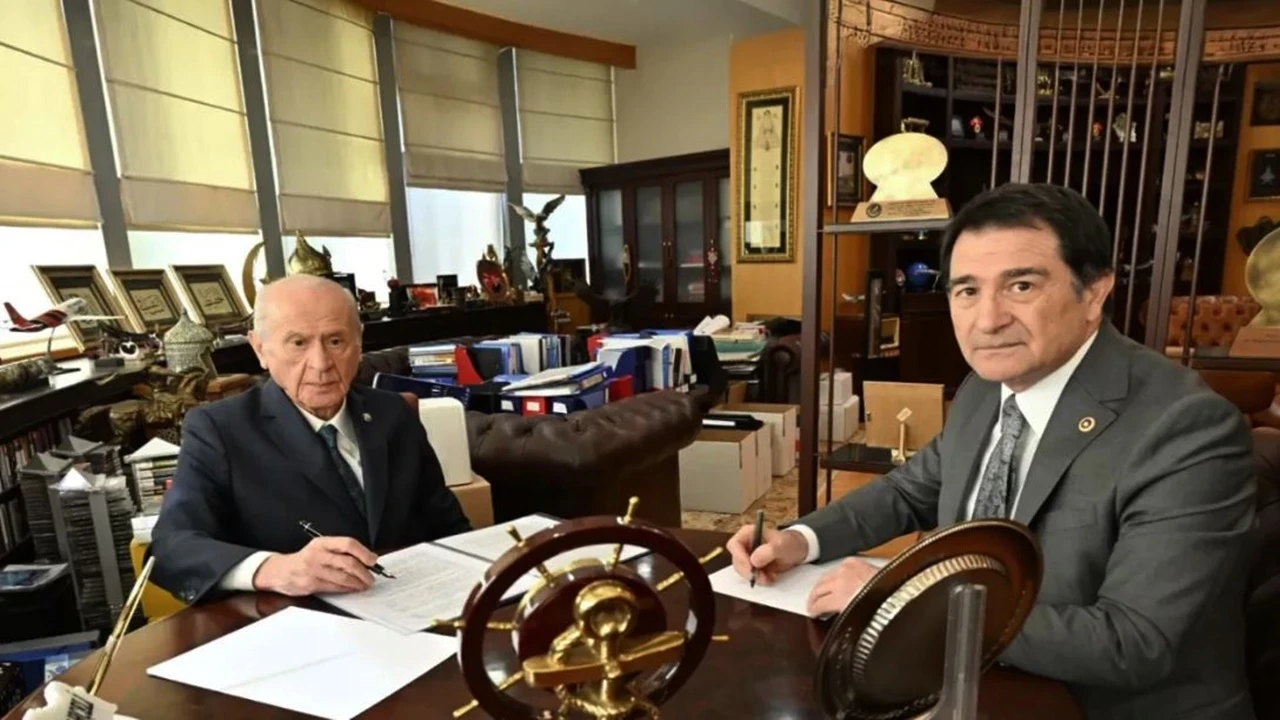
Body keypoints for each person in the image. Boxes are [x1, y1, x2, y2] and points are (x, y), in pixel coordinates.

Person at [728, 184, 1257, 719]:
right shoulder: (986, 387)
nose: (987, 321)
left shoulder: (1186, 428)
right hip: (973, 681)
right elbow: (911, 489)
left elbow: (1134, 642)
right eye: (966, 290)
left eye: (1021, 286)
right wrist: (800, 538)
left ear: (1094, 292)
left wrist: (902, 599)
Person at [151, 274, 471, 604]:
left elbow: (450, 527)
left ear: (359, 342)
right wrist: (275, 569)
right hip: (292, 618)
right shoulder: (219, 430)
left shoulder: (393, 413)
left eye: (335, 341)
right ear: (260, 349)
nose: (321, 364)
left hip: (413, 605)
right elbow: (171, 548)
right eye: (298, 343)